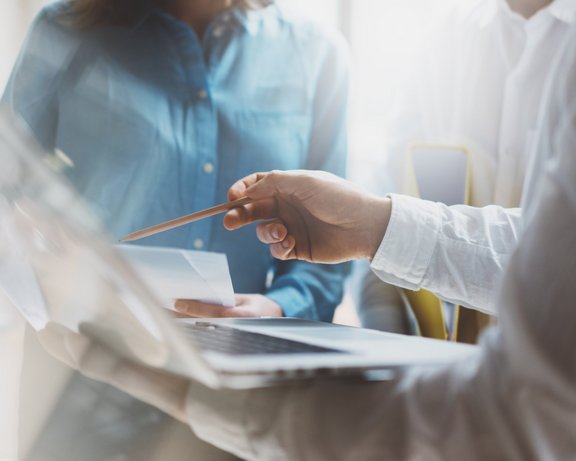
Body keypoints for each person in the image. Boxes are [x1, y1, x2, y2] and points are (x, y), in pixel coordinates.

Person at [37, 21, 576, 459]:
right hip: (87, 377)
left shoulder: (317, 54)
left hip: (249, 386)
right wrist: (374, 226)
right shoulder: (66, 29)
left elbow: (524, 419)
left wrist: (273, 315)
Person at [2, 0, 349, 321]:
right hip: (80, 350)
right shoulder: (63, 30)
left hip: (242, 365)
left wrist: (280, 308)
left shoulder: (316, 53)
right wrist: (39, 258)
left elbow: (326, 241)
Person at [355, 0, 576, 335]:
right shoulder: (443, 39)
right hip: (450, 368)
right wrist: (389, 355)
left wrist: (375, 226)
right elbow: (390, 188)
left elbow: (559, 257)